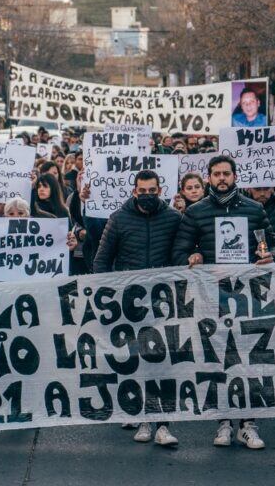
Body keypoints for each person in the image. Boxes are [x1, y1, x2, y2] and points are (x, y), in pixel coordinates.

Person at [171, 155, 275, 450]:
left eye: (226, 173)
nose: (221, 178)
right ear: (209, 178)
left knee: (249, 359)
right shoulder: (196, 212)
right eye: (216, 174)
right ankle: (223, 422)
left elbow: (273, 243)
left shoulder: (255, 210)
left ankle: (248, 424)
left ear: (235, 176)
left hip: (248, 296)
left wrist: (269, 255)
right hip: (212, 296)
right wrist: (193, 257)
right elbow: (179, 251)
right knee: (219, 358)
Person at [93, 170, 182, 447]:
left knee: (166, 363)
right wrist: (105, 299)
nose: (147, 195)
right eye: (142, 191)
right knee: (139, 361)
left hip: (163, 302)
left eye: (152, 190)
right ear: (134, 192)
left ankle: (164, 424)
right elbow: (102, 261)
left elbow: (180, 255)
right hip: (129, 303)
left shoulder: (173, 219)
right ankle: (143, 417)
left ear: (160, 190)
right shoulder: (118, 219)